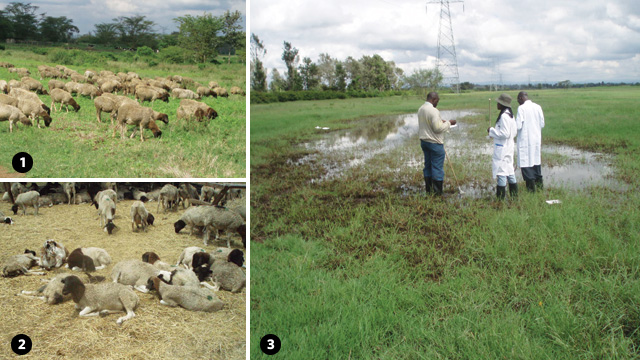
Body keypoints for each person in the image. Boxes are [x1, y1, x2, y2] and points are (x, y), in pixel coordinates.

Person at [418, 92, 456, 196]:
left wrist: (441, 121)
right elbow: (438, 128)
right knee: (437, 168)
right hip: (435, 143)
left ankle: (429, 191)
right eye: (437, 101)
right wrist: (449, 123)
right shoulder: (434, 111)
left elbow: (429, 123)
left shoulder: (421, 108)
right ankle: (438, 193)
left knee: (428, 166)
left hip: (424, 142)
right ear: (434, 100)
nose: (437, 103)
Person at [488, 93, 518, 199]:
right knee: (509, 171)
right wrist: (494, 133)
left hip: (503, 148)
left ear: (502, 104)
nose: (497, 104)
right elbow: (513, 133)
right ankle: (514, 197)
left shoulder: (504, 116)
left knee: (501, 172)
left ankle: (500, 199)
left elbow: (505, 134)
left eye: (498, 102)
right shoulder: (510, 115)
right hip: (509, 146)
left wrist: (491, 131)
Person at [515, 91, 545, 192]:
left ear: (520, 98)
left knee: (526, 164)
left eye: (518, 100)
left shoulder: (521, 108)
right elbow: (542, 124)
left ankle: (531, 191)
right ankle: (540, 189)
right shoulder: (538, 107)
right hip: (536, 139)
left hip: (525, 141)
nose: (518, 102)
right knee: (536, 162)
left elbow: (518, 126)